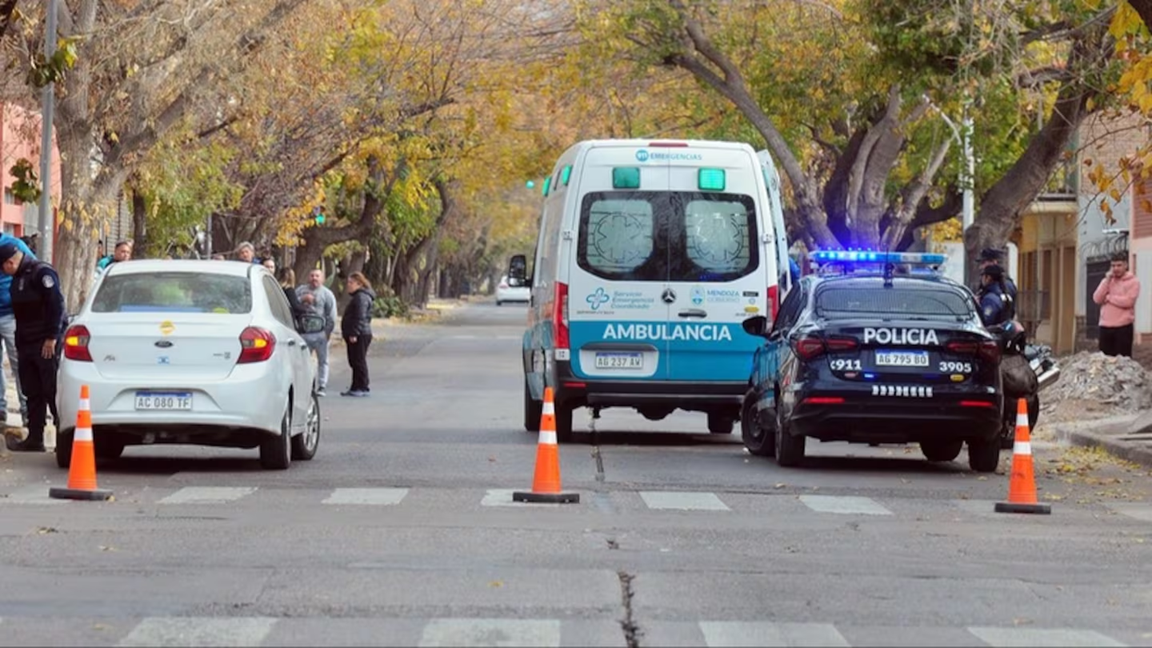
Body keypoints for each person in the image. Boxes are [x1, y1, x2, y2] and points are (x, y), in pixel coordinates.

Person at [0, 242, 65, 452]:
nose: (3, 272)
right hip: (26, 342)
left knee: (51, 389)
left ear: (9, 263)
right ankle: (35, 437)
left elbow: (56, 305)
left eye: (3, 268)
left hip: (45, 342)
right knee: (32, 390)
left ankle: (63, 438)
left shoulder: (41, 273)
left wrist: (52, 337)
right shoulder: (18, 277)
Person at [0, 232, 33, 425]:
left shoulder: (13, 245)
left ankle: (27, 410)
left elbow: (32, 269)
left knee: (19, 363)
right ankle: (0, 409)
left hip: (11, 314)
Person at [296, 268, 337, 397]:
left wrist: (327, 332)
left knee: (323, 361)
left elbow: (332, 315)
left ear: (323, 279)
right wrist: (302, 298)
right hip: (303, 332)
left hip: (320, 333)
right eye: (312, 275)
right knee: (303, 361)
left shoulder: (327, 294)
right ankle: (307, 384)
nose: (314, 278)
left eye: (317, 276)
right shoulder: (300, 290)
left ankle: (322, 385)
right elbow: (291, 305)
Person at [1092, 251, 1140, 358]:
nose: (1116, 268)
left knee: (1122, 361)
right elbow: (1097, 298)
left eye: (1119, 265)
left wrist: (1109, 297)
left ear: (1125, 265)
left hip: (1123, 327)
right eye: (1113, 266)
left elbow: (1128, 301)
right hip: (1105, 327)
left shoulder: (1133, 282)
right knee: (1105, 361)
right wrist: (1107, 280)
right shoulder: (1107, 281)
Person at [341, 272, 375, 397]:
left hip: (360, 334)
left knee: (358, 360)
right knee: (355, 361)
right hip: (359, 332)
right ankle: (356, 386)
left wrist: (354, 333)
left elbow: (360, 316)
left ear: (359, 284)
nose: (348, 285)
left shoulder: (361, 297)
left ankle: (362, 386)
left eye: (351, 283)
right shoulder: (358, 297)